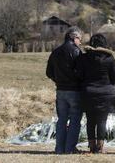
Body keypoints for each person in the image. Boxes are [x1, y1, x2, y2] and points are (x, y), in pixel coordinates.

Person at [76, 34, 115, 154]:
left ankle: (91, 146)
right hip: (105, 92)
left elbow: (79, 75)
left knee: (90, 120)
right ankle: (100, 147)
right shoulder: (109, 58)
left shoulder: (84, 58)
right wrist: (108, 85)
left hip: (88, 92)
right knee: (102, 121)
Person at [46, 26, 83, 154]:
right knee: (75, 120)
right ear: (73, 38)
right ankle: (70, 148)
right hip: (74, 91)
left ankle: (59, 148)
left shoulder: (55, 52)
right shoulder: (77, 52)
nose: (80, 42)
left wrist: (58, 80)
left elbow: (48, 72)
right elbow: (81, 72)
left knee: (61, 120)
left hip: (60, 90)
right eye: (79, 38)